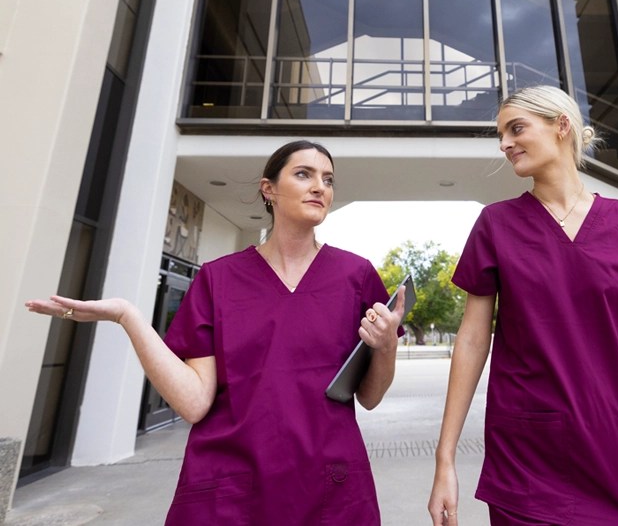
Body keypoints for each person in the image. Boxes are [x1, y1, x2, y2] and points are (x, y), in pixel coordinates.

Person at [26, 140, 406, 525]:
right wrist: (128, 317)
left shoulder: (355, 276)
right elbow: (194, 402)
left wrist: (387, 345)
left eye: (328, 179)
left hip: (327, 483)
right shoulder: (218, 279)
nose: (319, 187)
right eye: (303, 174)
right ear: (268, 189)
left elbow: (370, 397)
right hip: (232, 488)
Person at [427, 86, 618, 526]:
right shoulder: (496, 225)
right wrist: (445, 459)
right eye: (501, 134)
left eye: (516, 128)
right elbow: (473, 341)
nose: (504, 143)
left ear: (561, 126)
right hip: (527, 459)